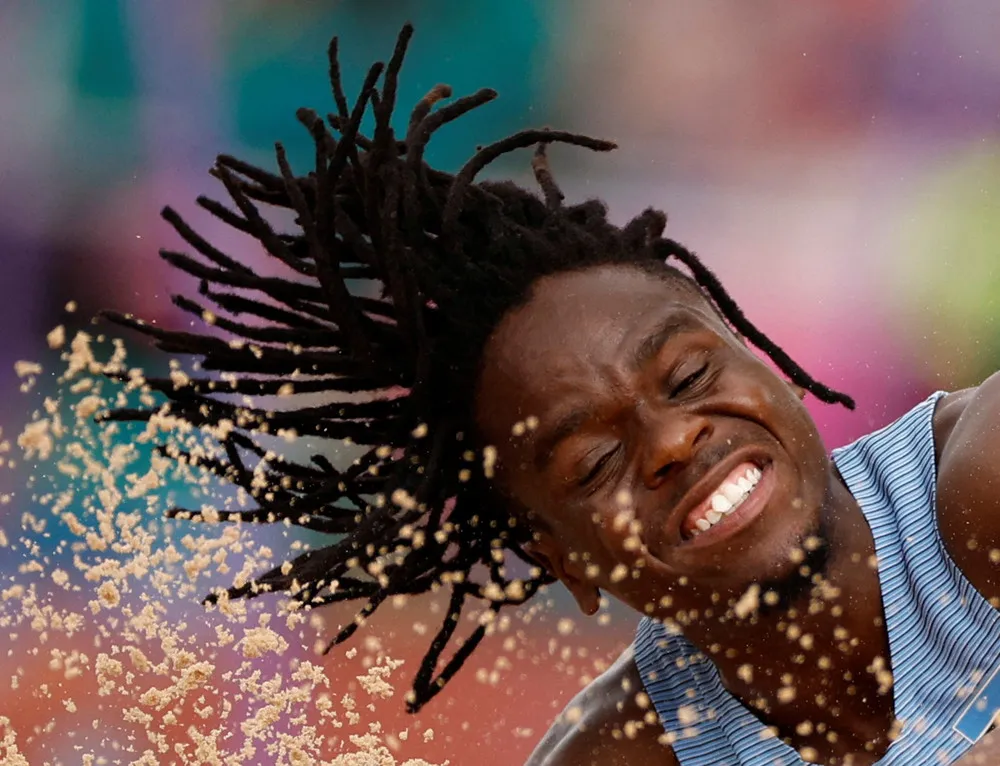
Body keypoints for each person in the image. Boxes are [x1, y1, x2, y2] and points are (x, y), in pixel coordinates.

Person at [104, 25, 1000, 765]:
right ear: (563, 560)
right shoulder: (623, 753)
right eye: (595, 462)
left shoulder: (979, 484)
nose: (672, 443)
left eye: (690, 377)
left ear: (759, 355)